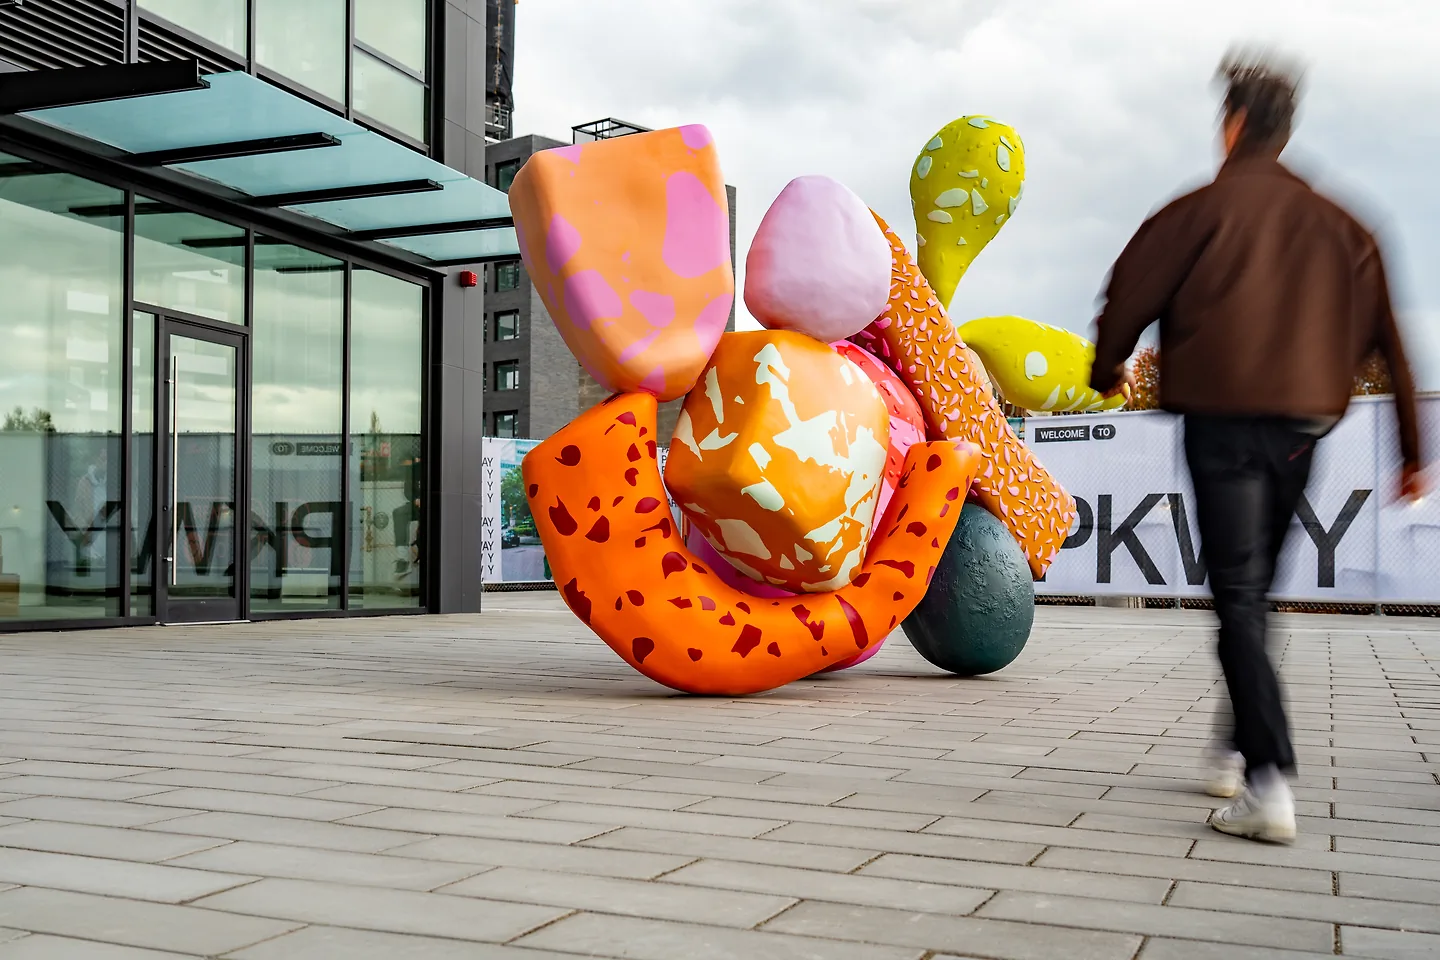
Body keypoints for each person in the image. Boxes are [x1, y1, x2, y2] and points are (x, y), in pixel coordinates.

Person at [1088, 50, 1425, 844]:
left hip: (1223, 424)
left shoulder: (1198, 212)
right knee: (1255, 595)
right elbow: (1395, 340)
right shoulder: (1348, 225)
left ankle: (1267, 780)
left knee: (1237, 597)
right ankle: (1233, 747)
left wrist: (1105, 369)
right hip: (1306, 432)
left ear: (1232, 125)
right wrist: (1413, 449)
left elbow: (1127, 291)